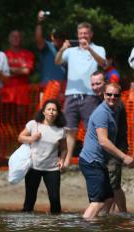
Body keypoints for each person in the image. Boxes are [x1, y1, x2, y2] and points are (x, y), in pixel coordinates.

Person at [54, 22, 106, 167]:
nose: (83, 36)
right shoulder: (71, 51)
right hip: (71, 94)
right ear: (77, 35)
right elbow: (57, 61)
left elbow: (103, 63)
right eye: (81, 33)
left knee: (92, 129)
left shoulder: (98, 48)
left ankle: (93, 159)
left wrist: (89, 49)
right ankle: (67, 161)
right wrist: (62, 49)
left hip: (90, 94)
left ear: (91, 34)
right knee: (69, 130)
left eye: (86, 33)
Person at [79, 83, 133, 219]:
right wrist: (124, 156)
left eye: (116, 95)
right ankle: (85, 229)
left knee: (109, 197)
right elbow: (103, 141)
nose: (112, 97)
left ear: (120, 97)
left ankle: (101, 225)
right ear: (104, 95)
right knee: (97, 202)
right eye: (109, 94)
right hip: (91, 162)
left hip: (100, 162)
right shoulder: (102, 113)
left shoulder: (116, 109)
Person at [18, 100, 67, 214]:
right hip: (34, 167)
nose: (51, 112)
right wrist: (31, 139)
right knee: (30, 199)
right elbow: (20, 137)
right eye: (49, 109)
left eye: (54, 110)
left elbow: (64, 148)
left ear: (58, 113)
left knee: (55, 200)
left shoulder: (60, 130)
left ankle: (56, 226)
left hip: (52, 168)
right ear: (43, 111)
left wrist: (62, 160)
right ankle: (26, 226)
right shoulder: (33, 124)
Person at [90, 71, 128, 213]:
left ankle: (116, 214)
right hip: (103, 148)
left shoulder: (115, 102)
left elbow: (113, 130)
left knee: (113, 184)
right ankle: (112, 215)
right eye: (93, 84)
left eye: (98, 83)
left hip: (115, 147)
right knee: (109, 183)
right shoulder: (97, 99)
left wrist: (121, 154)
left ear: (105, 83)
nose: (95, 87)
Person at [2, 30, 34, 119]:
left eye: (18, 36)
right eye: (13, 36)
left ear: (21, 39)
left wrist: (9, 70)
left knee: (21, 121)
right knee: (6, 121)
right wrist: (20, 70)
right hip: (6, 95)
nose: (15, 38)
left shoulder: (28, 54)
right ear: (9, 39)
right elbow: (2, 72)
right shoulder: (3, 55)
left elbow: (26, 71)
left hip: (22, 96)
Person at [34, 11, 67, 88]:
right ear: (52, 37)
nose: (58, 38)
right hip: (46, 87)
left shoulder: (68, 50)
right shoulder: (47, 47)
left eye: (60, 36)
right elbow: (38, 39)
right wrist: (39, 23)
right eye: (56, 36)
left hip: (63, 88)